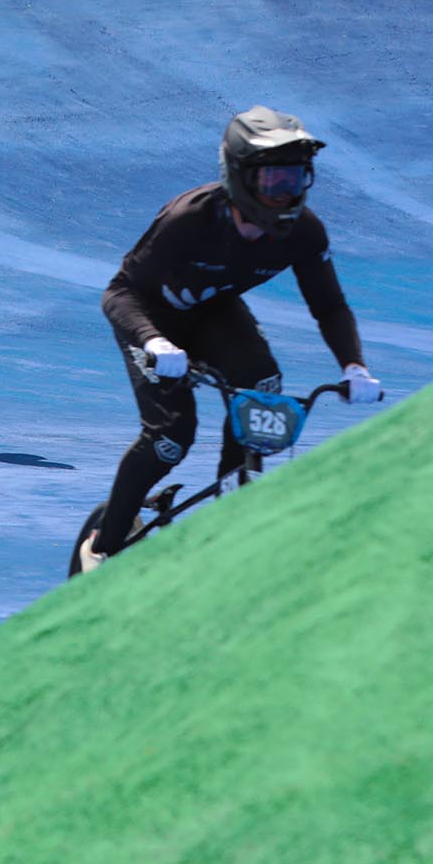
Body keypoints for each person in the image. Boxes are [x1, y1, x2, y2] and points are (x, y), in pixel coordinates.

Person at [78, 105, 385, 573]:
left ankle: (233, 512)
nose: (287, 195)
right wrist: (153, 342)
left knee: (261, 388)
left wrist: (353, 366)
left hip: (213, 310)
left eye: (297, 180)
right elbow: (119, 293)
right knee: (171, 439)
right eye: (274, 182)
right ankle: (102, 545)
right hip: (152, 321)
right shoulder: (188, 221)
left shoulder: (303, 232)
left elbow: (330, 306)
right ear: (241, 178)